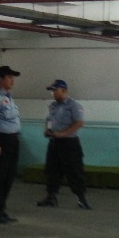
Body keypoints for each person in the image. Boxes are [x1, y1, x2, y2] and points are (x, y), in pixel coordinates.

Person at [37, 79, 89, 209]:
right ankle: (51, 197)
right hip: (54, 143)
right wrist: (48, 130)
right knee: (52, 171)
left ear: (64, 90)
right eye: (52, 91)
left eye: (55, 90)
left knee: (74, 171)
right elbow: (49, 120)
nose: (53, 93)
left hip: (69, 144)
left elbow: (79, 123)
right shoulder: (53, 106)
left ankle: (81, 199)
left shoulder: (73, 105)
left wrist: (63, 133)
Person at [0, 65, 22, 224]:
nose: (12, 80)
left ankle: (1, 210)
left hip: (13, 140)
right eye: (9, 77)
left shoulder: (9, 98)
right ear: (0, 80)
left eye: (12, 77)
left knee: (9, 176)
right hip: (2, 140)